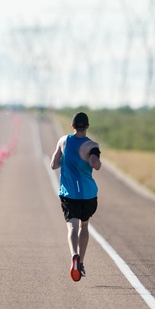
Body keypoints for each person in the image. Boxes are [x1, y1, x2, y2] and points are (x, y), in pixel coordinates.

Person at [50, 111, 101, 282]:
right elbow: (95, 163)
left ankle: (74, 255)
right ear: (87, 126)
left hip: (69, 194)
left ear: (72, 126)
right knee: (84, 227)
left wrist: (66, 161)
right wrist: (96, 162)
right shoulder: (92, 145)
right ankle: (82, 262)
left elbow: (53, 164)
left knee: (72, 227)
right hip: (88, 195)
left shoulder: (63, 141)